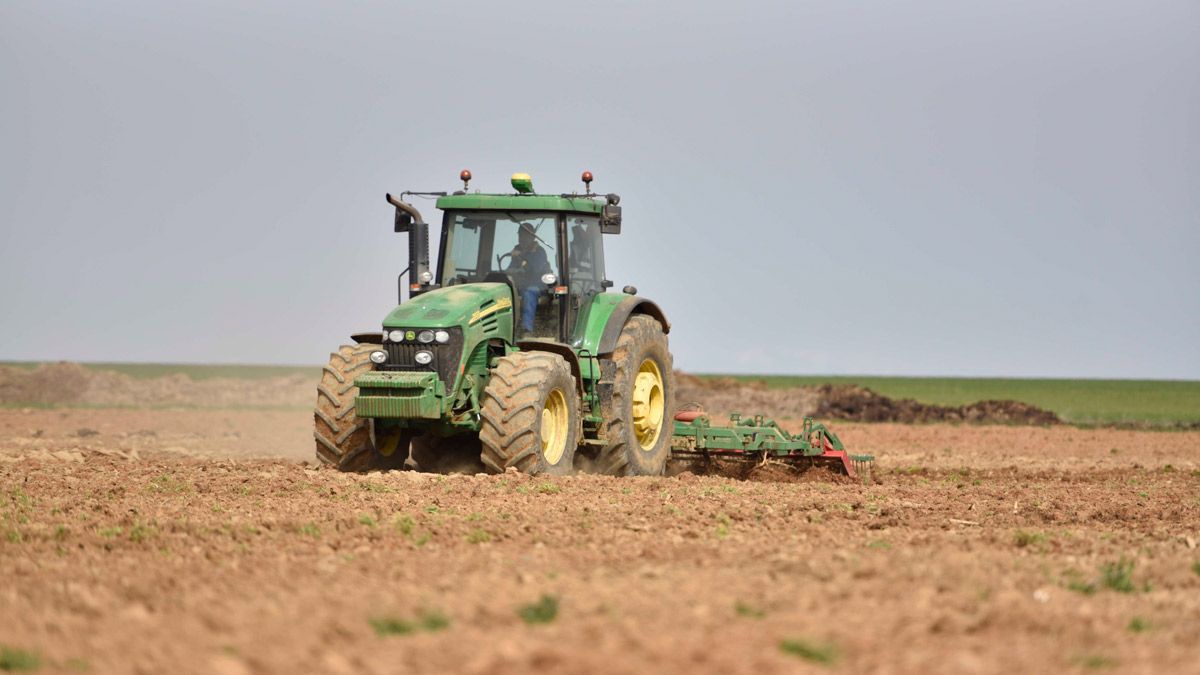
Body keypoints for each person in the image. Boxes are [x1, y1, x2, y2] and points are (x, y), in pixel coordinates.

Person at [508, 223, 551, 333]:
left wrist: (521, 259)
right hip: (519, 285)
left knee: (529, 293)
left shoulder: (539, 252)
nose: (521, 238)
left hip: (537, 285)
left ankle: (527, 329)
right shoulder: (517, 250)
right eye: (520, 235)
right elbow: (511, 268)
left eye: (524, 236)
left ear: (532, 237)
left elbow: (534, 271)